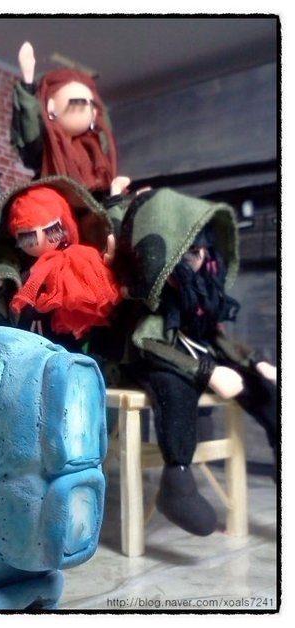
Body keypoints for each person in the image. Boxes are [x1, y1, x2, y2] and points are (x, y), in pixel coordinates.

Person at [109, 187, 277, 536]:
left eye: (201, 251)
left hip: (197, 351)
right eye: (189, 252)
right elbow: (148, 342)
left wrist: (255, 361)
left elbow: (214, 336)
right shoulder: (155, 298)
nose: (198, 260)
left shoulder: (197, 295)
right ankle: (178, 484)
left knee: (263, 387)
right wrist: (207, 371)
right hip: (157, 358)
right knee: (173, 387)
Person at [0, 175, 121, 352]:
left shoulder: (79, 261)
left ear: (66, 224)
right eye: (28, 237)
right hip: (22, 348)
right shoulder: (18, 276)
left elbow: (98, 303)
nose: (40, 240)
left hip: (67, 349)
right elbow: (1, 313)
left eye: (51, 230)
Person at [11, 42, 130, 219]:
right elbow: (29, 135)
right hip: (52, 211)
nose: (85, 108)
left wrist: (115, 196)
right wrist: (28, 84)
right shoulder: (48, 146)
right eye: (76, 102)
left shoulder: (96, 147)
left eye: (89, 104)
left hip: (93, 214)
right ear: (50, 107)